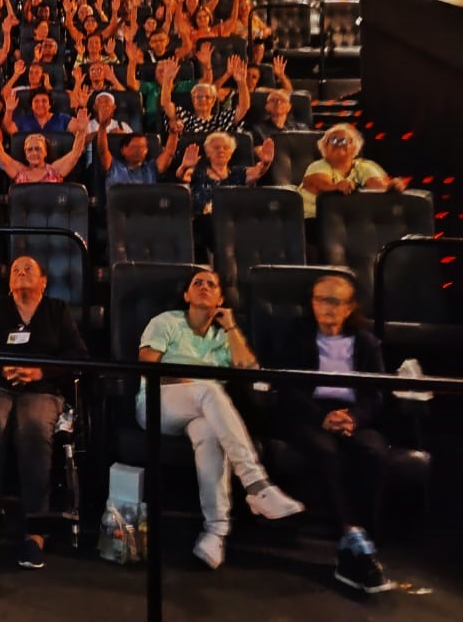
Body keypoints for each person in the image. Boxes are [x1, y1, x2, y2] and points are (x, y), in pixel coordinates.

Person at [137, 269, 304, 569]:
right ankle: (256, 484)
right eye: (196, 283)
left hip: (202, 412)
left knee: (209, 433)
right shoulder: (167, 321)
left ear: (220, 298)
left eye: (211, 284)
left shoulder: (224, 337)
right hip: (157, 404)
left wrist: (230, 327)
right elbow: (149, 366)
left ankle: (215, 531)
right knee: (210, 390)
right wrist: (196, 385)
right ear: (186, 295)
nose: (203, 286)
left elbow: (250, 372)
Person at [0, 256, 89, 569]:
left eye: (28, 268)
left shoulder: (57, 311)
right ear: (8, 283)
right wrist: (2, 369)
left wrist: (38, 372)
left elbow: (79, 357)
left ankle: (35, 531)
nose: (20, 271)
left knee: (32, 426)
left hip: (42, 389)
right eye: (15, 268)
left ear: (44, 282)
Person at [273, 274, 394, 594]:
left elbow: (377, 393)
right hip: (309, 413)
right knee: (324, 451)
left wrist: (353, 417)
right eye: (320, 300)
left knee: (374, 452)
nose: (326, 308)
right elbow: (286, 386)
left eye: (335, 301)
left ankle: (365, 538)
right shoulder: (297, 335)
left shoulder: (367, 342)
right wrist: (322, 417)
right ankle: (351, 535)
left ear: (350, 306)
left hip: (353, 415)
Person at [299, 124, 404, 221]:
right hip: (314, 220)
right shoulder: (318, 165)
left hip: (351, 221)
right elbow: (321, 184)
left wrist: (392, 187)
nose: (339, 144)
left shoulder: (364, 165)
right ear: (325, 147)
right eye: (333, 140)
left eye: (344, 140)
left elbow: (378, 185)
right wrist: (337, 186)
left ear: (354, 147)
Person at [0, 104, 89, 184]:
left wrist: (81, 132)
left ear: (46, 152)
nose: (34, 152)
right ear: (25, 154)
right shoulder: (20, 171)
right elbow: (0, 155)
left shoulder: (55, 170)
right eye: (29, 149)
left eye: (38, 149)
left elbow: (75, 153)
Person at [98, 122, 181, 188]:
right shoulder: (113, 166)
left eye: (142, 147)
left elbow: (169, 153)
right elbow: (102, 151)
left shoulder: (152, 168)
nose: (138, 150)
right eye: (134, 147)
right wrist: (102, 126)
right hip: (119, 209)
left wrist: (173, 133)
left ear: (147, 150)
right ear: (123, 150)